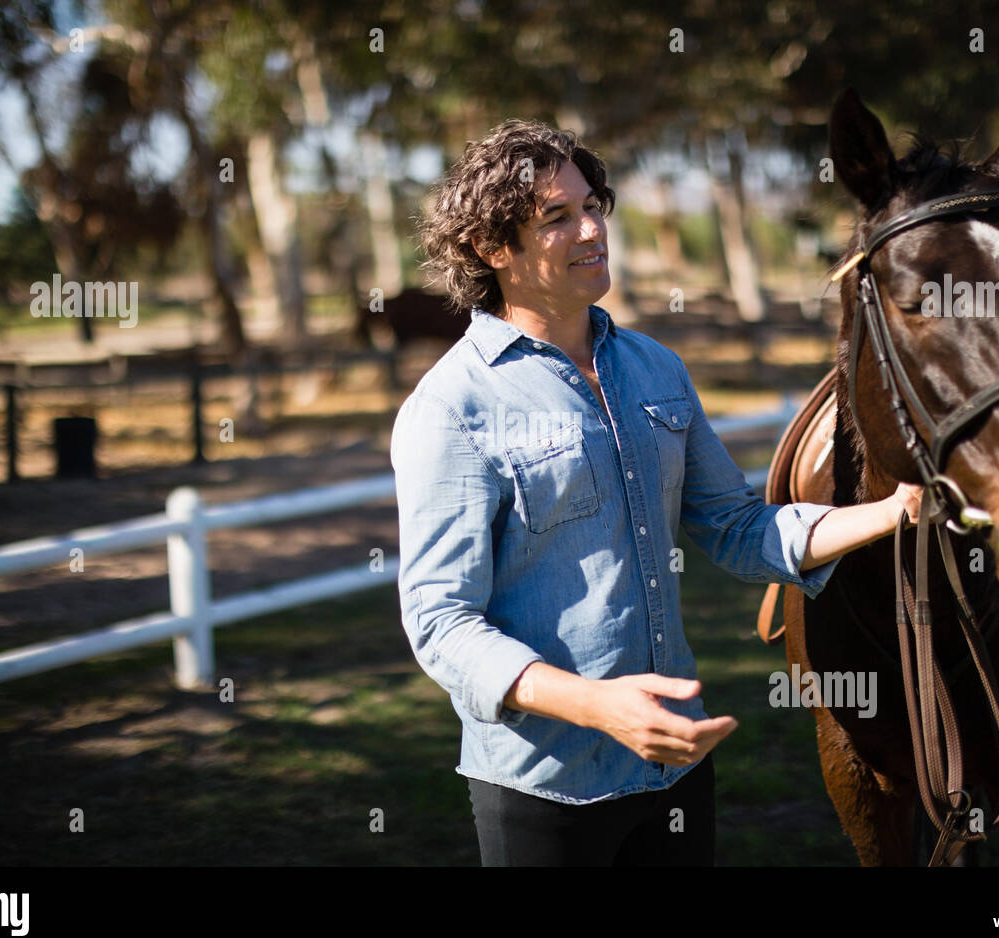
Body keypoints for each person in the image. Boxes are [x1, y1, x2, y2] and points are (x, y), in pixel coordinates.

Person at [391, 119, 922, 866]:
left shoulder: (656, 368)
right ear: (492, 249)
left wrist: (894, 511)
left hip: (676, 768)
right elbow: (440, 622)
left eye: (593, 205)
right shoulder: (453, 406)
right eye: (557, 217)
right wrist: (597, 707)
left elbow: (735, 529)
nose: (592, 229)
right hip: (544, 790)